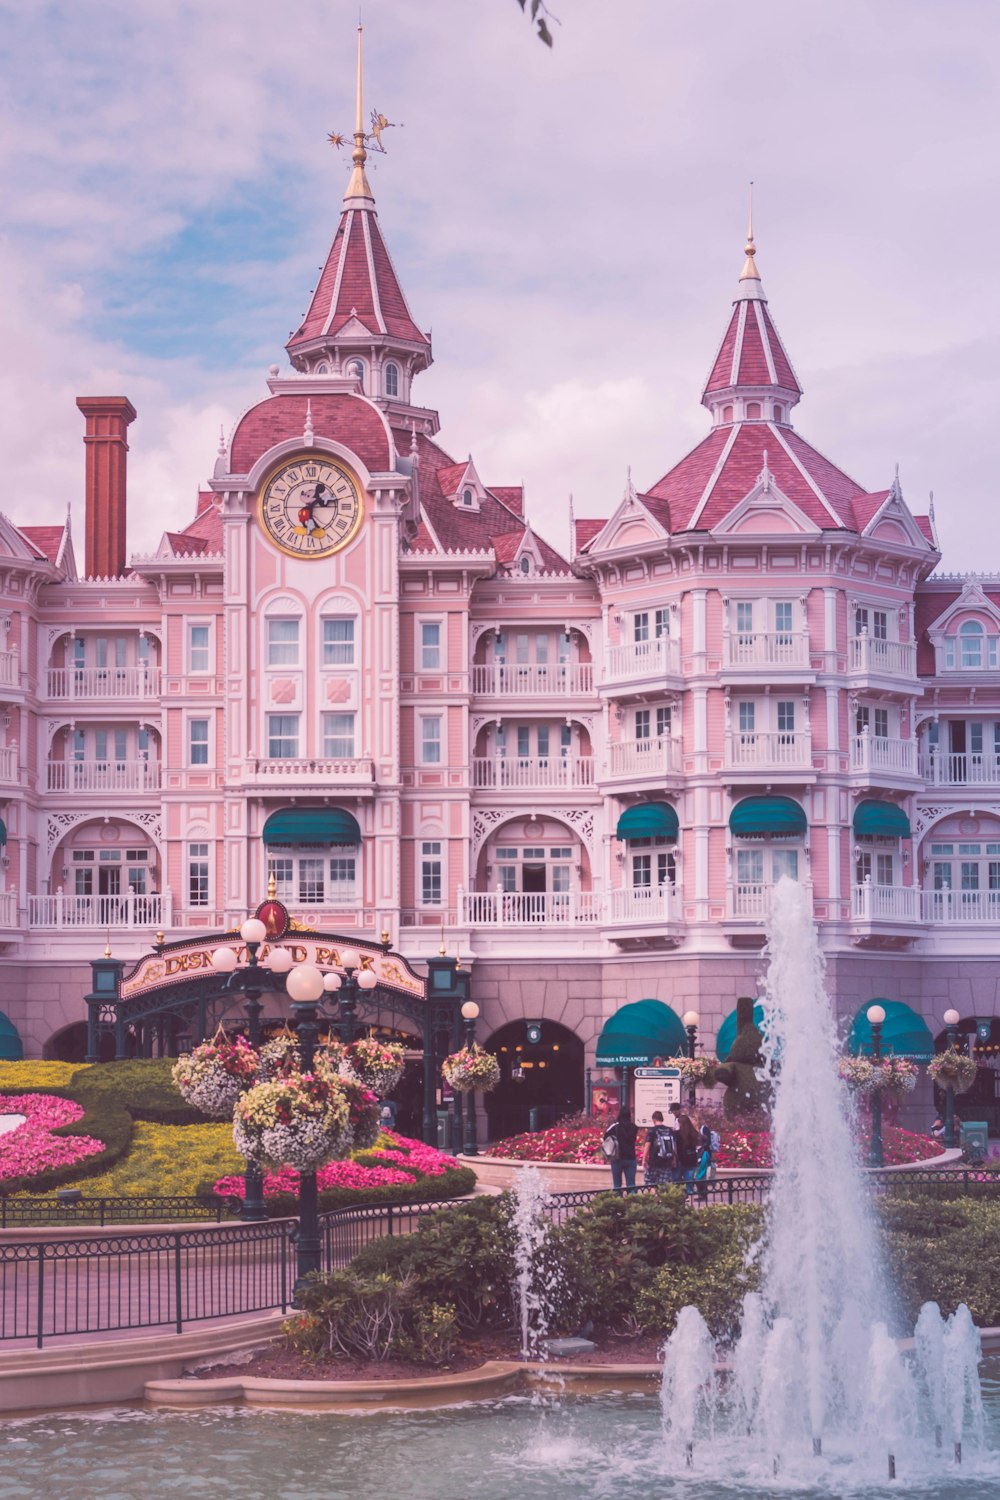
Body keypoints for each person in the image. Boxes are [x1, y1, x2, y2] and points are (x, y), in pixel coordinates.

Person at [603, 1105, 639, 1194]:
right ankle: (633, 1204)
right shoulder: (634, 1127)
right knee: (631, 1185)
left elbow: (605, 1137)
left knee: (617, 1186)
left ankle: (618, 1205)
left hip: (617, 1158)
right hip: (630, 1158)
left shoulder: (615, 1127)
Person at [669, 1101, 701, 1193]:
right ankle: (690, 1200)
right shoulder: (693, 1133)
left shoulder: (678, 1133)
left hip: (682, 1159)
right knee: (689, 1182)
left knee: (675, 1181)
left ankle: (678, 1198)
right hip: (692, 1159)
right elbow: (702, 1141)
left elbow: (675, 1146)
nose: (674, 1113)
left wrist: (674, 1158)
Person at [642, 1109, 676, 1188]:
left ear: (654, 1120)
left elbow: (648, 1145)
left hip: (654, 1162)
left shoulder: (652, 1131)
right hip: (666, 1162)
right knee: (663, 1185)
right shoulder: (669, 1130)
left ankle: (655, 1199)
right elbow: (674, 1146)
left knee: (650, 1183)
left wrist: (644, 1159)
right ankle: (661, 1198)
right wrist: (674, 1159)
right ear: (662, 1119)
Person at [694, 1122, 716, 1203]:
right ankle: (702, 1194)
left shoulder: (704, 1129)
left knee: (700, 1175)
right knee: (700, 1175)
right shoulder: (698, 1130)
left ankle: (703, 1194)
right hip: (701, 1153)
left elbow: (708, 1141)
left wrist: (701, 1141)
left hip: (704, 1153)